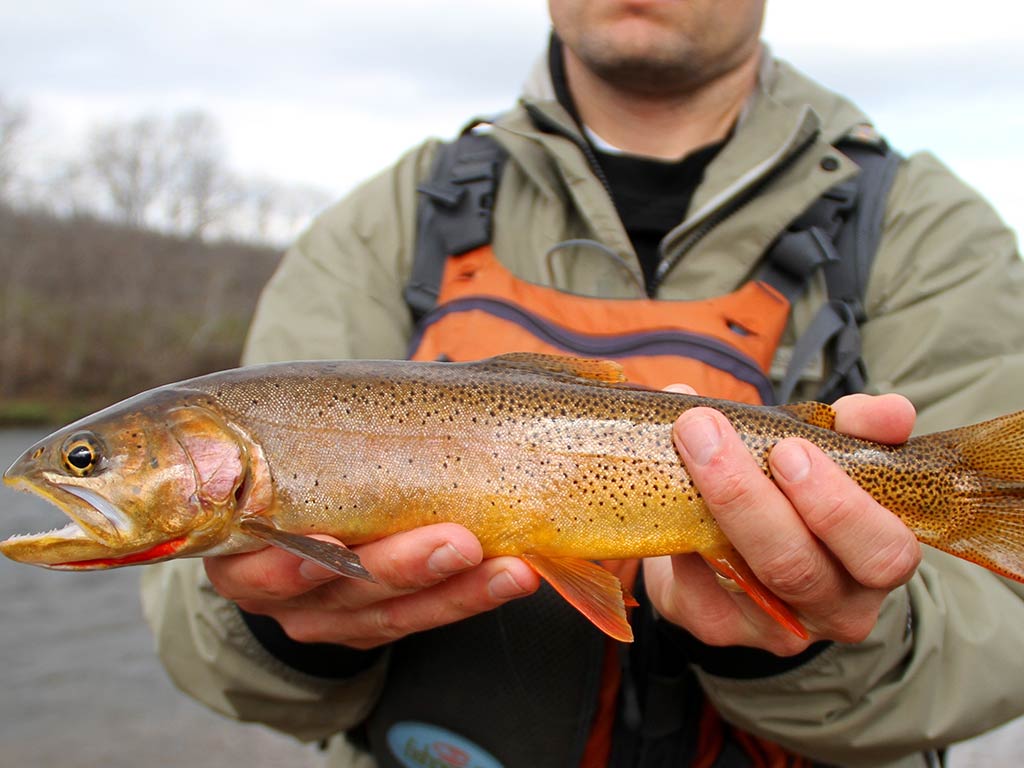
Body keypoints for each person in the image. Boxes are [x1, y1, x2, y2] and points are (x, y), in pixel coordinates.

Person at [141, 2, 1024, 766]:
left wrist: (792, 643)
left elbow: (999, 644)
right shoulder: (389, 219)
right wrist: (276, 621)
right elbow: (203, 645)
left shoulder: (925, 230)